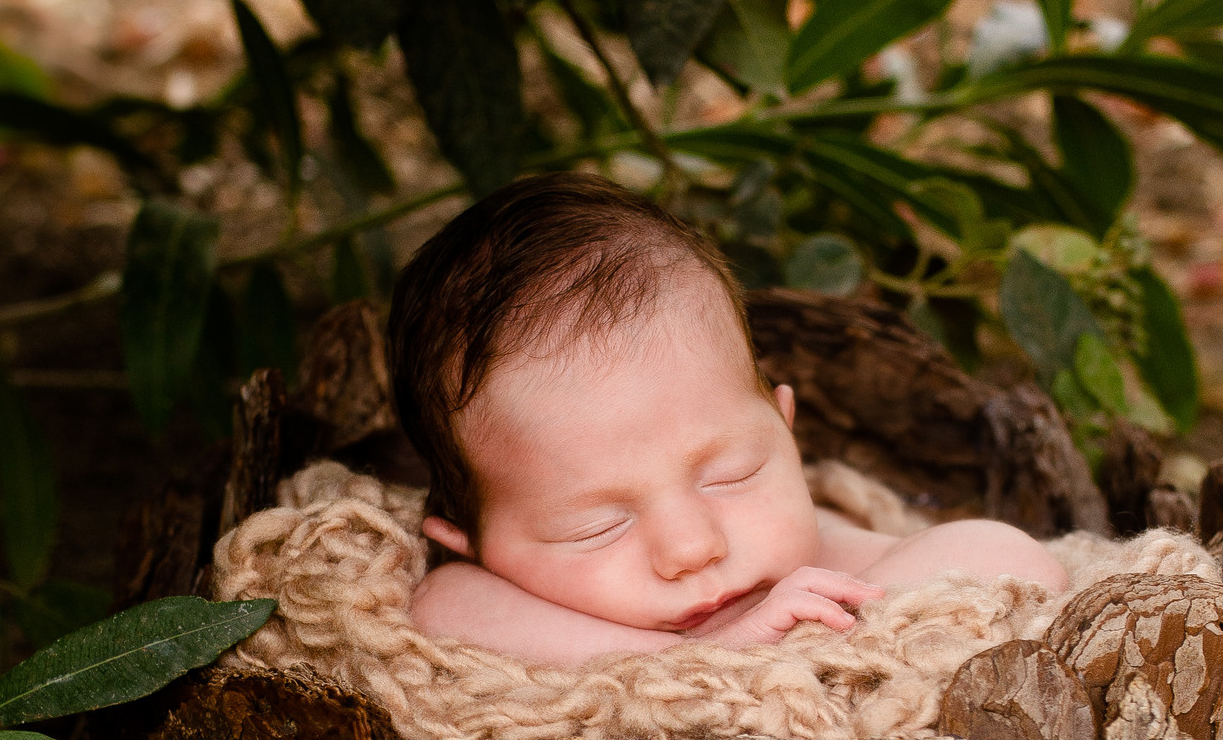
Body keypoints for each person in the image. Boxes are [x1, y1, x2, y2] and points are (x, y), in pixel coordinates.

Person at [387, 174, 1068, 668]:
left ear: (785, 429)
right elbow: (440, 610)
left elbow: (1015, 561)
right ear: (469, 542)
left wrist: (845, 623)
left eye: (731, 476)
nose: (692, 548)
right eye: (596, 527)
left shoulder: (829, 563)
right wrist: (692, 660)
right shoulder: (491, 598)